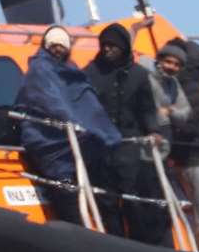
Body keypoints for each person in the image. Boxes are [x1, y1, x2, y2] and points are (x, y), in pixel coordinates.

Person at [16, 26, 122, 226]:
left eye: (61, 46)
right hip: (50, 140)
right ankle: (77, 231)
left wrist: (98, 129)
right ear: (47, 46)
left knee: (101, 188)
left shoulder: (72, 70)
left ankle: (107, 233)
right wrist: (71, 122)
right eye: (54, 46)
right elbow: (48, 99)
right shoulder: (40, 69)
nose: (58, 49)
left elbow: (86, 101)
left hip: (80, 142)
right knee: (66, 191)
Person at [83, 24, 168, 243]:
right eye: (104, 45)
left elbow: (147, 108)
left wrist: (154, 131)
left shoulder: (139, 75)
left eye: (113, 46)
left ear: (123, 47)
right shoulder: (91, 72)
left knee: (132, 196)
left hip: (129, 144)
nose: (107, 49)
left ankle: (138, 242)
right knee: (106, 199)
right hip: (100, 146)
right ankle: (115, 241)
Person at [157, 40, 199, 252]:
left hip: (192, 156)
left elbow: (186, 123)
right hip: (195, 155)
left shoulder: (182, 89)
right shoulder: (190, 88)